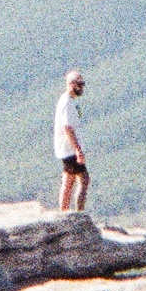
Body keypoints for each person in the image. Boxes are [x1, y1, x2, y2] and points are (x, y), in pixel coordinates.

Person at [53, 69, 90, 214]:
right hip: (69, 150)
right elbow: (67, 128)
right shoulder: (67, 103)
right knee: (84, 179)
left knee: (68, 181)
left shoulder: (69, 101)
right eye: (79, 84)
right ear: (71, 84)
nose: (81, 87)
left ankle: (64, 212)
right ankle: (78, 214)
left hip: (67, 149)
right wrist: (78, 150)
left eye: (83, 84)